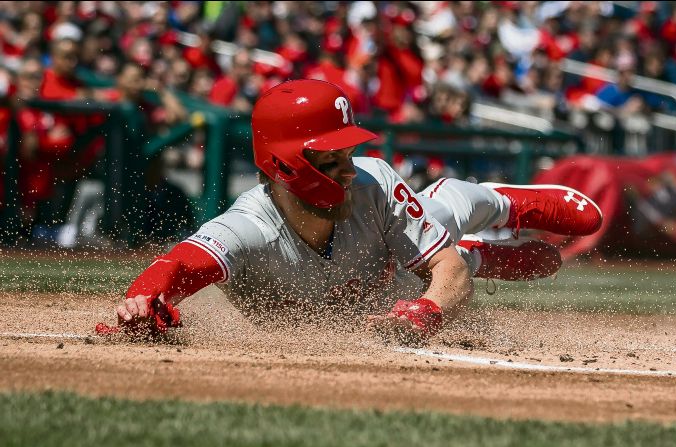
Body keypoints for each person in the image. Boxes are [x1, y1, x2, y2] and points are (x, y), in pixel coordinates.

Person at [98, 79, 602, 345]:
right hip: (374, 298)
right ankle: (480, 258)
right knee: (448, 265)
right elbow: (180, 264)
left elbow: (440, 273)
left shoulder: (372, 180)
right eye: (330, 158)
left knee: (444, 214)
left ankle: (506, 203)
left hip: (394, 281)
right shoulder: (249, 226)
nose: (347, 168)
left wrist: (425, 314)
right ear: (286, 165)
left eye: (347, 154)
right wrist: (141, 303)